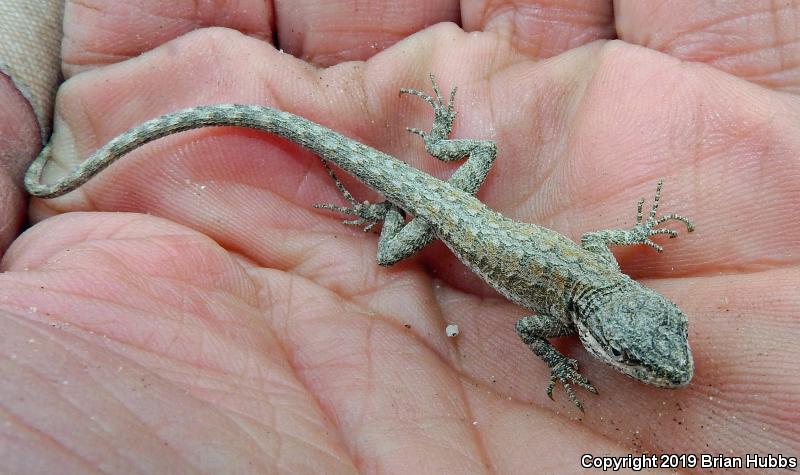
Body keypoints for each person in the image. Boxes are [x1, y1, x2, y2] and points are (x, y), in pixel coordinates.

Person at [1, 2, 798, 472]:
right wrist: (559, 355)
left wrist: (640, 232)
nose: (661, 362)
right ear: (601, 332)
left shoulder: (595, 268)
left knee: (477, 156)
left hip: (453, 195)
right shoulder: (562, 306)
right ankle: (388, 203)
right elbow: (532, 322)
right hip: (429, 207)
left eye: (649, 350)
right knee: (389, 249)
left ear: (627, 303)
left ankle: (433, 150)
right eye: (639, 354)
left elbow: (601, 235)